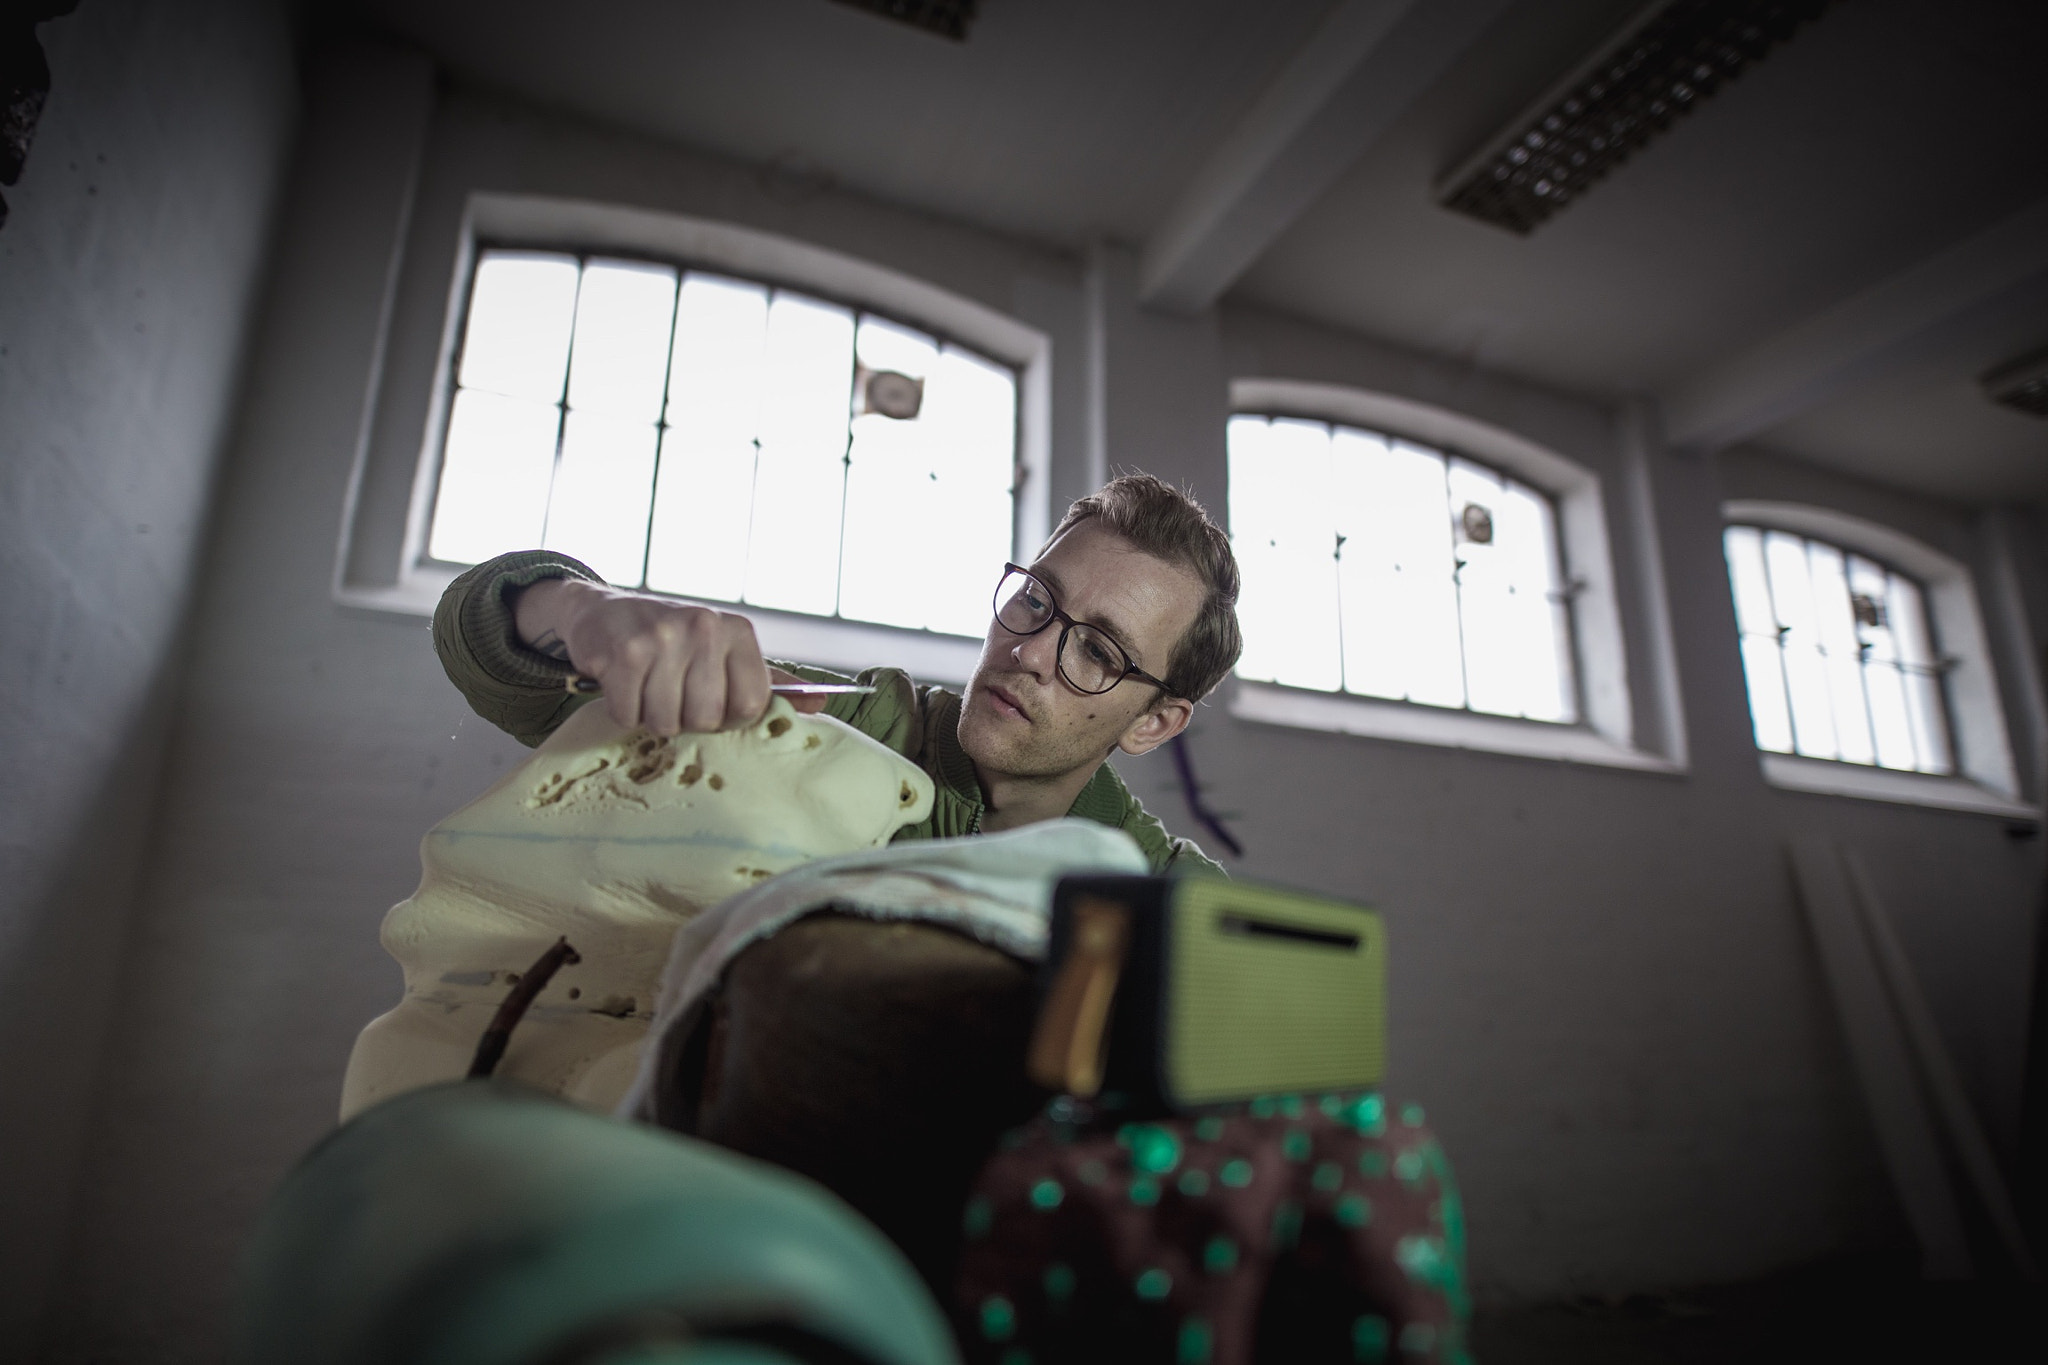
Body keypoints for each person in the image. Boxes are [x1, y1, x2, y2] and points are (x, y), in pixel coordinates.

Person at [433, 472, 1242, 876]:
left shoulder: (1167, 896)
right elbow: (491, 657)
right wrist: (582, 612)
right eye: (1035, 598)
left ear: (1154, 721)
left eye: (1097, 652)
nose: (1029, 649)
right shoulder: (833, 727)